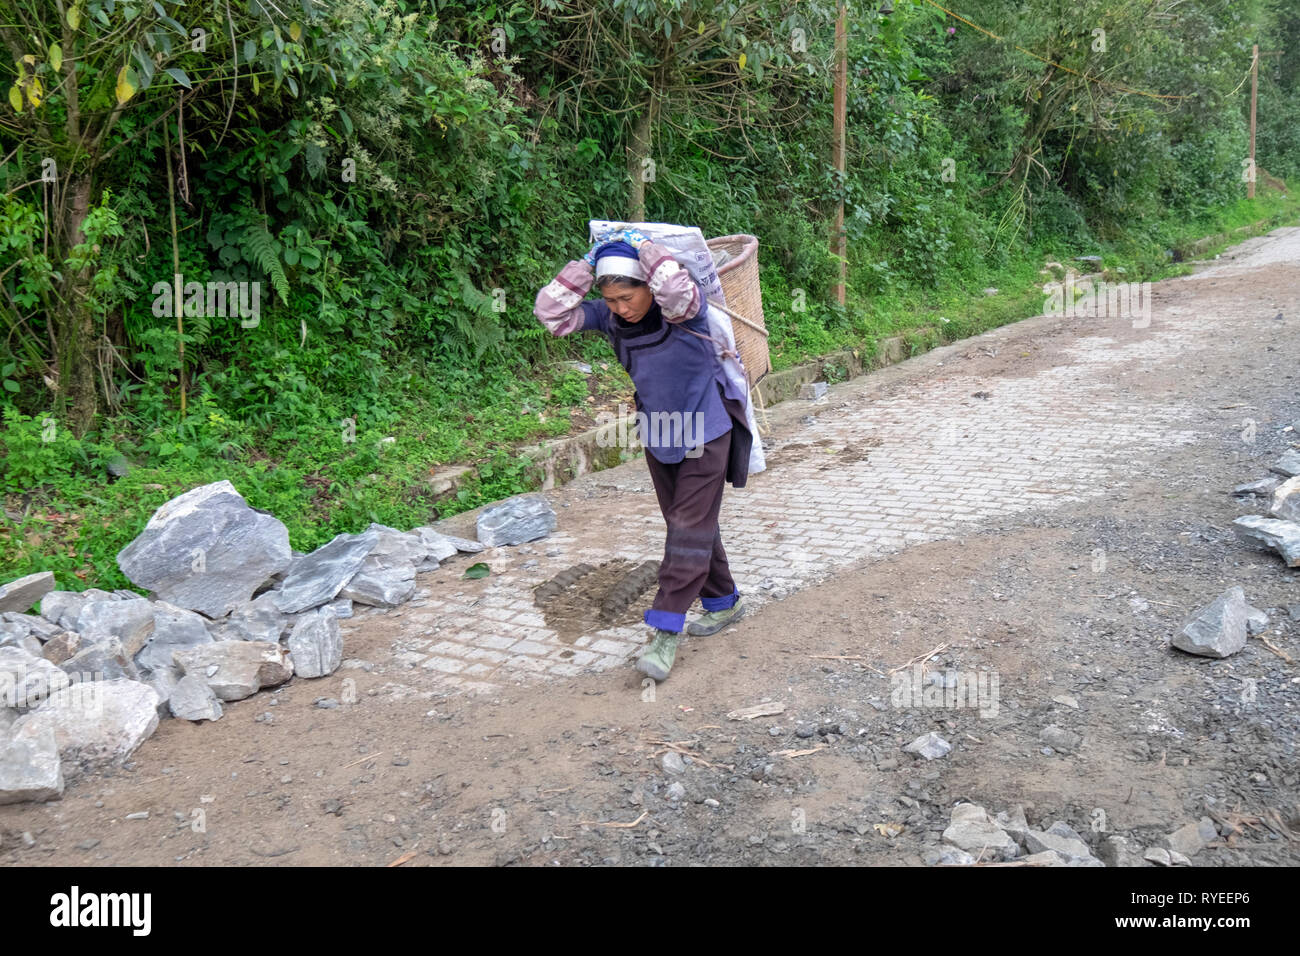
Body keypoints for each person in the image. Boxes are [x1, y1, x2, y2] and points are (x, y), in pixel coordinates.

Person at [533, 228, 752, 680]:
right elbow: (551, 312)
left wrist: (642, 246)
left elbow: (673, 287)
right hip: (659, 431)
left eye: (627, 298)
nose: (620, 309)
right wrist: (589, 262)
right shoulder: (608, 319)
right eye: (610, 300)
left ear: (647, 287)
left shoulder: (685, 312)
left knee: (688, 527)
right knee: (687, 524)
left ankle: (665, 629)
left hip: (707, 428)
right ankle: (723, 601)